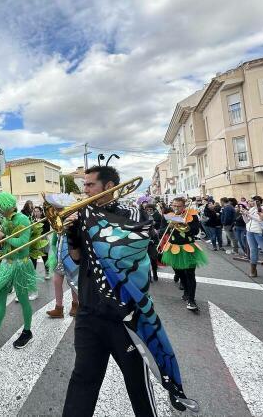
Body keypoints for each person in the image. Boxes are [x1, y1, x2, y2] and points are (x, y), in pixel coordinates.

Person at [62, 165, 197, 416]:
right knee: (82, 379)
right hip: (89, 312)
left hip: (125, 314)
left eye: (90, 185)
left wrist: (93, 225)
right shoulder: (82, 215)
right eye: (84, 185)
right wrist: (71, 234)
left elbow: (128, 250)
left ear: (109, 186)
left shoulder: (132, 213)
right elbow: (78, 258)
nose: (85, 190)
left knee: (136, 382)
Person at [0, 192, 37, 349]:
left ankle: (27, 331)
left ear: (5, 206)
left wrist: (3, 236)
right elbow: (5, 240)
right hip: (7, 263)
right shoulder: (4, 220)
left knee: (23, 299)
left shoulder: (22, 219)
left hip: (20, 264)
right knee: (0, 297)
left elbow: (23, 243)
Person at [161, 197, 208, 312]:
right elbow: (161, 230)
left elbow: (196, 230)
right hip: (173, 248)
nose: (176, 208)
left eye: (179, 206)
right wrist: (169, 227)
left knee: (190, 274)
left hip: (188, 247)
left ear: (184, 206)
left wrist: (185, 226)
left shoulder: (192, 215)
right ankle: (186, 291)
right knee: (180, 272)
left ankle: (192, 300)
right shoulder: (168, 216)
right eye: (174, 206)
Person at [242, 196, 263, 278]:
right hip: (250, 231)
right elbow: (247, 221)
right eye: (249, 201)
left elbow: (260, 219)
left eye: (252, 201)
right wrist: (244, 214)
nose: (249, 202)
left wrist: (248, 214)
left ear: (258, 201)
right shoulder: (252, 209)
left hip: (259, 232)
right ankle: (253, 270)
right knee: (253, 251)